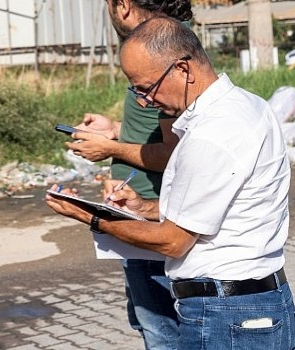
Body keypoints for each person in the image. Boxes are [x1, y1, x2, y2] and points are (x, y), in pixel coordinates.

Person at [47, 17, 295, 349]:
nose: (143, 101)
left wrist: (93, 218)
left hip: (228, 316)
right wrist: (142, 208)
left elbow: (173, 242)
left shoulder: (212, 134)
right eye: (135, 90)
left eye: (146, 87)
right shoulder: (247, 105)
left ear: (183, 69)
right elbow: (211, 207)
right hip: (248, 307)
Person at [64, 1, 192, 348]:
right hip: (142, 209)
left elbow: (174, 152)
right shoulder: (162, 49)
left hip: (153, 214)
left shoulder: (157, 56)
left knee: (163, 330)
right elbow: (161, 131)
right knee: (150, 321)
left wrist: (110, 150)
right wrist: (115, 130)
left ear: (121, 5)